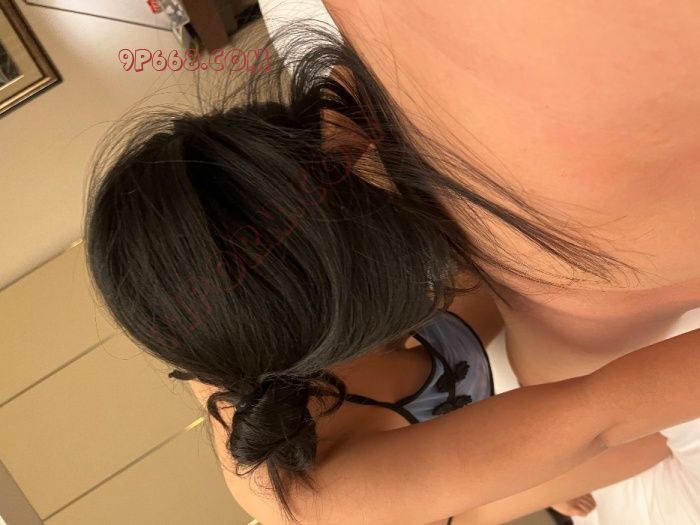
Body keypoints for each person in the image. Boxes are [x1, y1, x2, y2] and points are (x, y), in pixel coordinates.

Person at [84, 24, 700, 524]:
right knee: (634, 445)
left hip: (407, 380)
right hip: (436, 503)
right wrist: (539, 466)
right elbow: (600, 417)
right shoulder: (328, 495)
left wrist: (331, 145)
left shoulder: (221, 298)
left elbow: (359, 75)